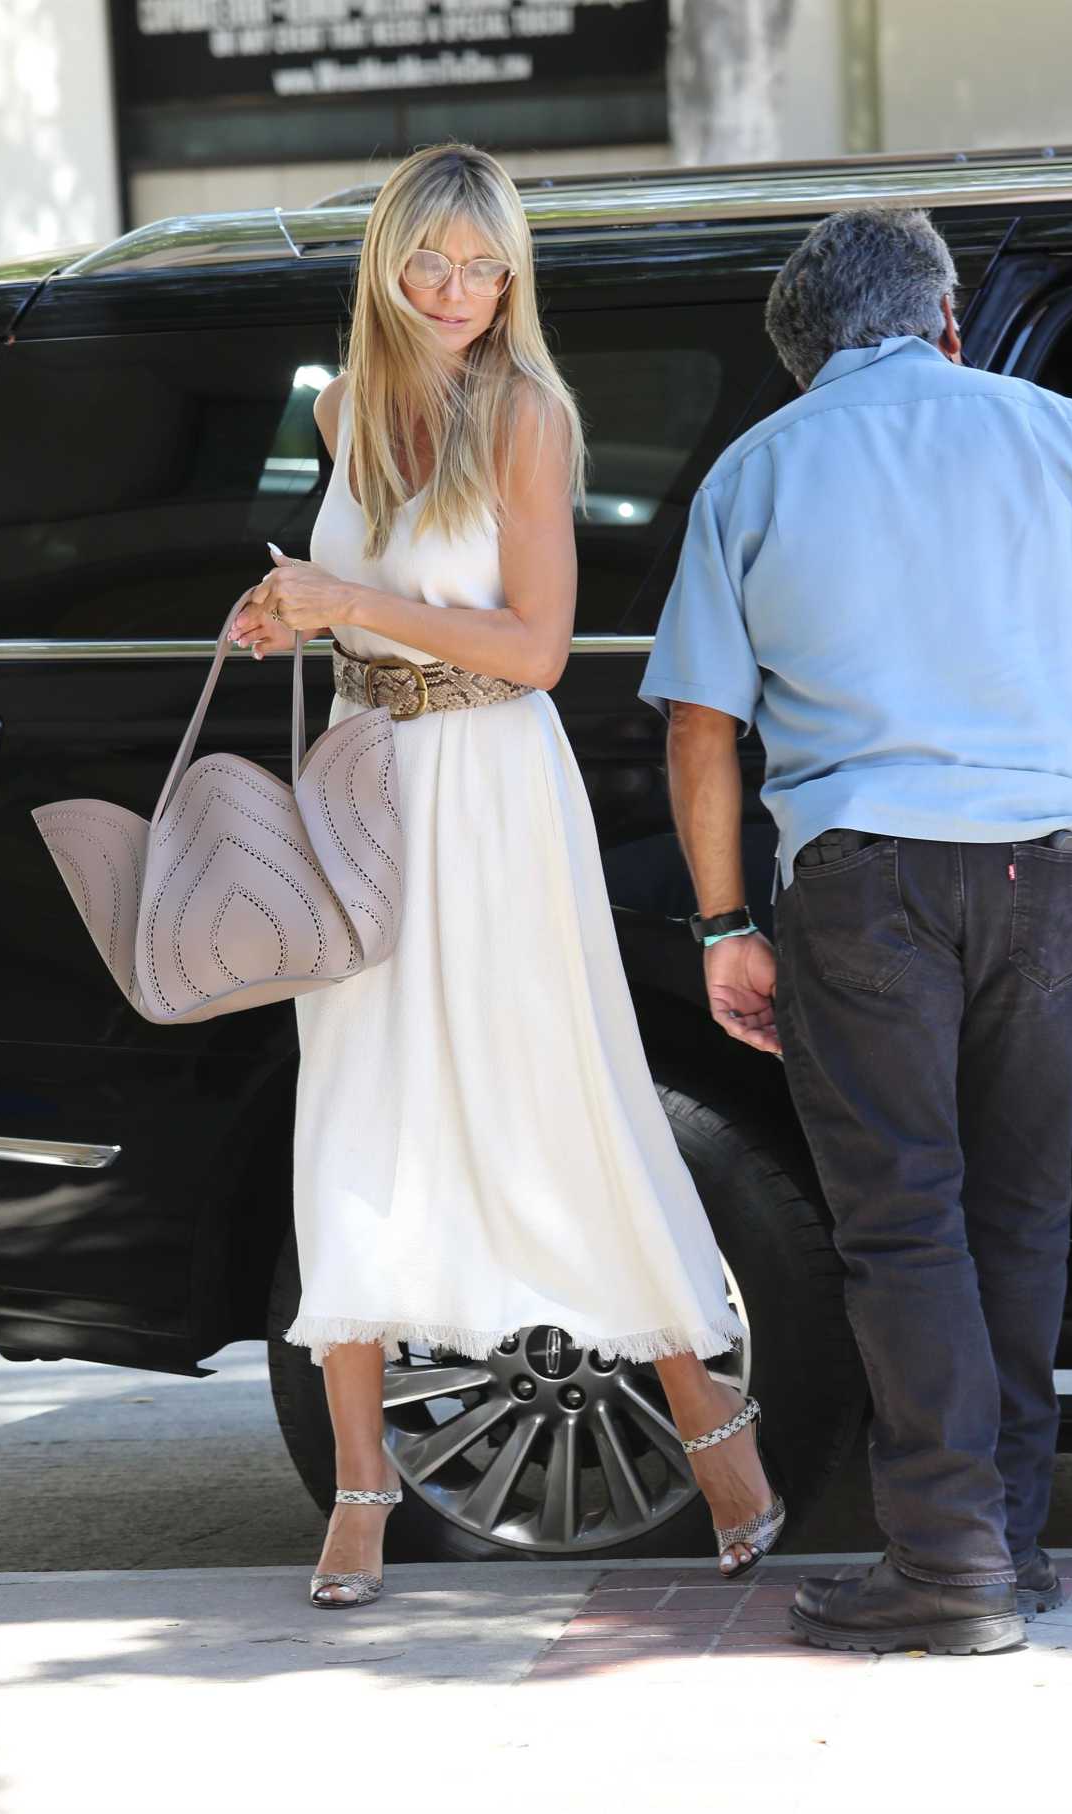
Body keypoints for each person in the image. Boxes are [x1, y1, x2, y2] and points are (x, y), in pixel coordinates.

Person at [229, 143, 784, 1608]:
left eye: (486, 265)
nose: (460, 291)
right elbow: (368, 607)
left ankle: (714, 1429)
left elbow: (535, 648)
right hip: (366, 782)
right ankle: (360, 1483)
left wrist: (354, 597)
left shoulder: (525, 412)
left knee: (562, 1097)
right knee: (353, 1114)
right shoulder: (343, 406)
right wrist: (297, 616)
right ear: (385, 266)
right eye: (432, 261)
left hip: (490, 784)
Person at [642, 204, 1072, 1656]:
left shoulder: (757, 468)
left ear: (798, 361)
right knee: (1015, 1216)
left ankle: (947, 1561)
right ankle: (1006, 1548)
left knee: (905, 1223)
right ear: (946, 318)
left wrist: (723, 921)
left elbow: (702, 725)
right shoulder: (1061, 434)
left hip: (863, 882)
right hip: (1053, 868)